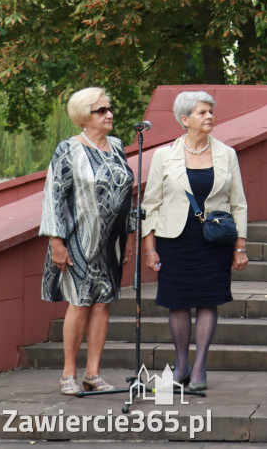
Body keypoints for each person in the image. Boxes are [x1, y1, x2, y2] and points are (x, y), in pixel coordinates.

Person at [142, 90, 248, 392]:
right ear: (184, 120)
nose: (210, 117)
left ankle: (200, 365)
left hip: (214, 240)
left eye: (211, 112)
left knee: (208, 300)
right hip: (174, 239)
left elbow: (238, 203)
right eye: (202, 113)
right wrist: (149, 248)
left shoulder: (226, 154)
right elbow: (151, 204)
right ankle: (181, 364)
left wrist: (240, 246)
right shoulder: (164, 155)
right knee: (177, 302)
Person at [40, 87, 135, 395]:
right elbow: (54, 197)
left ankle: (93, 374)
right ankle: (68, 373)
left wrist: (130, 235)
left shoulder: (118, 146)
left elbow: (128, 196)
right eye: (101, 111)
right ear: (84, 117)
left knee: (102, 304)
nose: (109, 115)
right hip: (79, 241)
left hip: (112, 243)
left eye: (110, 109)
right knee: (79, 303)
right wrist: (56, 241)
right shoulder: (69, 149)